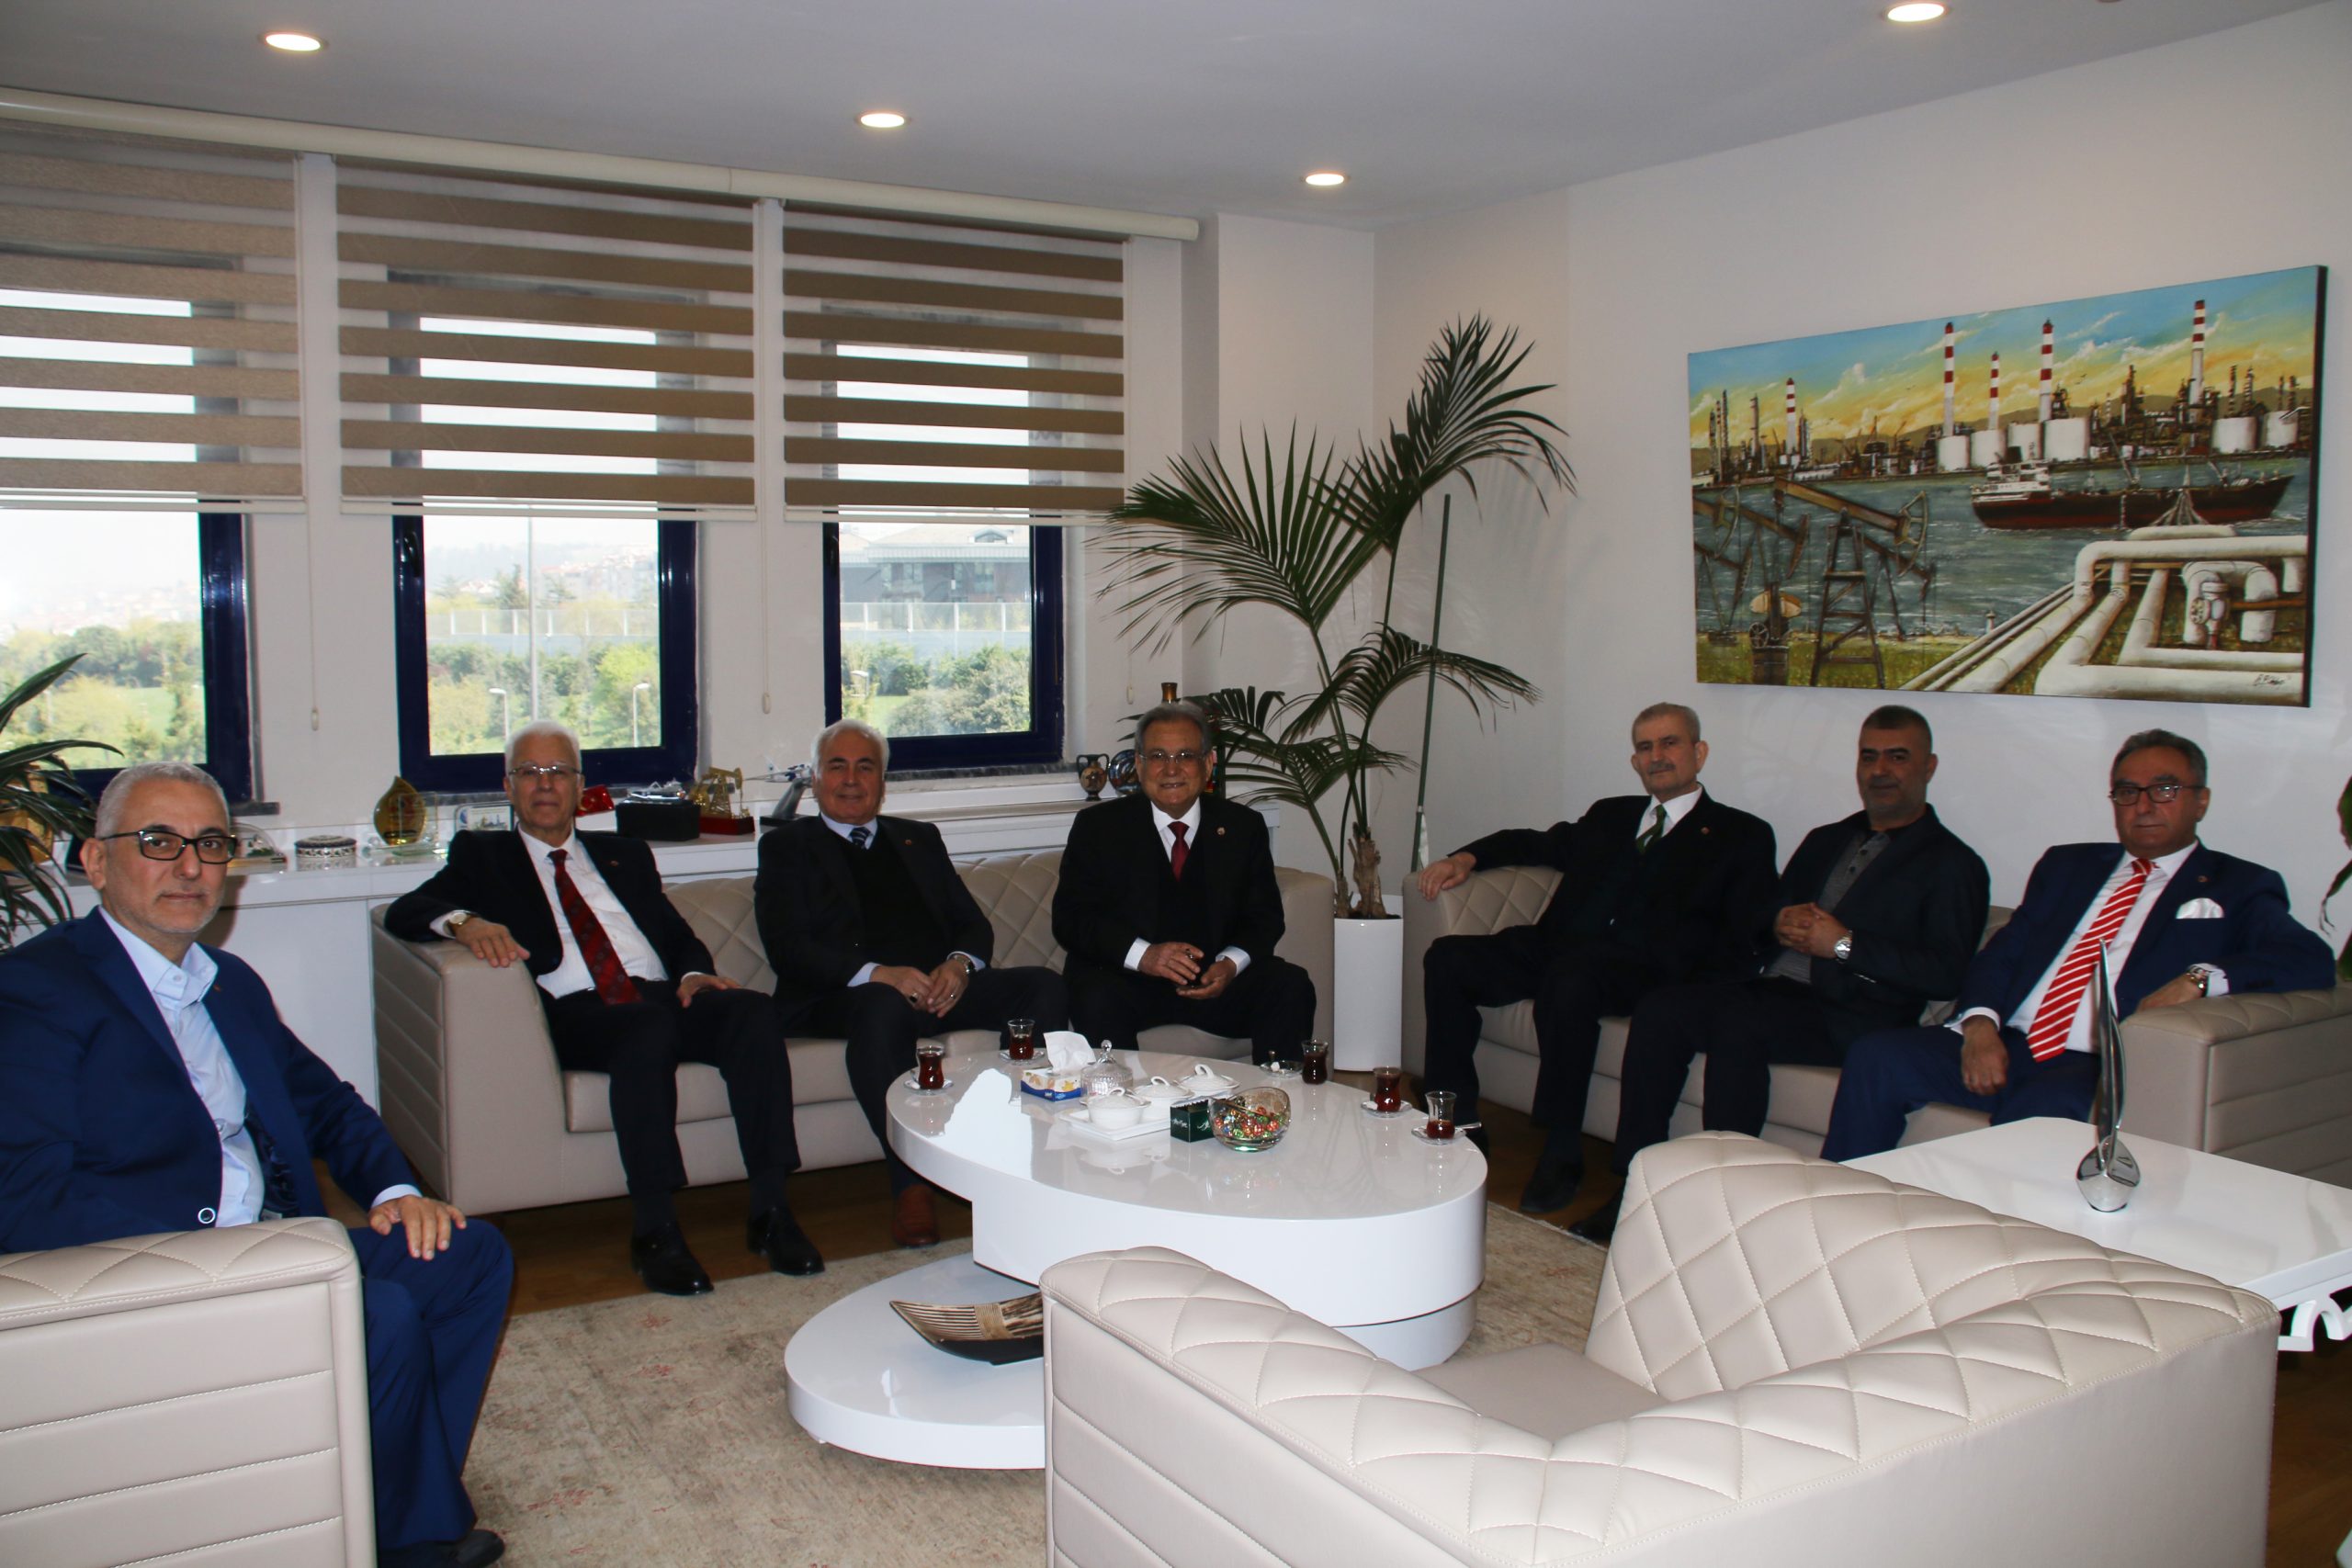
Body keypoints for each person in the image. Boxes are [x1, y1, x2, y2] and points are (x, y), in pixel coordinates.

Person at [0, 762, 511, 1568]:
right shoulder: (36, 990)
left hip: (272, 1247)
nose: (189, 865)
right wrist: (212, 1256)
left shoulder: (227, 982)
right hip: (153, 1276)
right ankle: (411, 1542)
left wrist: (397, 1189)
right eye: (158, 841)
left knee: (468, 1255)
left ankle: (383, 1500)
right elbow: (25, 1197)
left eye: (210, 843)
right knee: (379, 1314)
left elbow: (328, 1103)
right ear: (96, 861)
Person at [385, 721, 816, 1295]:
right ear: (508, 787)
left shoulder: (623, 854)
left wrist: (694, 975)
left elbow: (674, 933)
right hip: (581, 1013)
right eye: (530, 772)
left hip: (661, 998)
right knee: (646, 1029)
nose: (545, 784)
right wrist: (464, 921)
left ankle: (771, 1211)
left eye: (558, 772)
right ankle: (655, 1229)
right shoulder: (484, 855)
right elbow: (405, 910)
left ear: (580, 787)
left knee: (751, 1012)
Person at [1572, 706, 1988, 1243]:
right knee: (1662, 1008)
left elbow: (1946, 972)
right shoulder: (1826, 838)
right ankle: (1634, 1185)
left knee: (1738, 1023)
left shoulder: (1953, 863)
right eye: (1868, 757)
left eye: (1897, 757)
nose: (1880, 770)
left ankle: (1724, 1204)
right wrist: (1778, 921)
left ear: (1928, 767)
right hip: (1774, 988)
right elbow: (1762, 915)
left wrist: (1843, 945)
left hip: (1856, 1014)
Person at [1821, 728, 2335, 1160]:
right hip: (2011, 1041)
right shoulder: (2069, 867)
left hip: (2096, 1060)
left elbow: (2308, 958)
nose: (2144, 805)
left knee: (2043, 1106)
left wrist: (2198, 979)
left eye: (2165, 789)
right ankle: (1843, 1201)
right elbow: (2003, 954)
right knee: (1879, 1056)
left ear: (2201, 800)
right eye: (2127, 792)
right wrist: (1979, 1026)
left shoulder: (2236, 885)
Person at [1415, 702, 1776, 1213]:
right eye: (1645, 747)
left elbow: (1745, 929)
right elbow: (1539, 844)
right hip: (1558, 946)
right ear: (1635, 761)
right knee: (1449, 957)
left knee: (1573, 979)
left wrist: (1703, 987)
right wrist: (1467, 857)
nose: (1657, 756)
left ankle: (1562, 1148)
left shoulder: (1739, 834)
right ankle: (1460, 1118)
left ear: (1699, 753)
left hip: (1644, 969)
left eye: (1670, 743)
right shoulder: (1612, 815)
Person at [754, 718, 1069, 1248]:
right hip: (842, 996)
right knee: (882, 1006)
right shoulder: (788, 847)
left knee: (1041, 986)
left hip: (935, 990)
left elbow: (972, 925)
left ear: (882, 782)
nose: (851, 779)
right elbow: (788, 947)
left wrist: (959, 966)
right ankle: (911, 1184)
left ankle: (1030, 1149)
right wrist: (877, 974)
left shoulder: (918, 838)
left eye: (865, 767)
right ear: (815, 779)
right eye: (837, 766)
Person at [1053, 702, 1317, 1065]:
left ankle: (1276, 1094)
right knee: (1093, 994)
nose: (1171, 769)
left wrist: (1230, 964)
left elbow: (1265, 917)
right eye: (1158, 756)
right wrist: (1145, 956)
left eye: (1185, 756)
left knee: (1289, 984)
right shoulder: (1098, 828)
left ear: (1208, 764)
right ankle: (1117, 1097)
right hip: (1127, 982)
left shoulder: (1242, 827)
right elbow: (1071, 919)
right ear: (1139, 765)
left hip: (1216, 981)